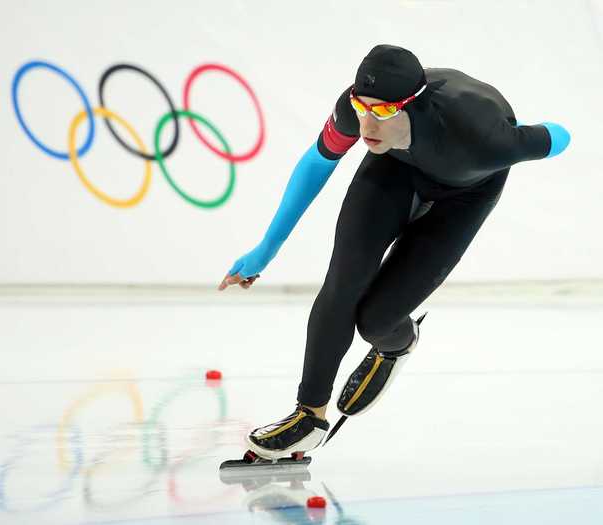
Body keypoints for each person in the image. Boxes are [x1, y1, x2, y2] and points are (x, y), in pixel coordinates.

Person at [217, 44, 570, 460]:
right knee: (341, 284)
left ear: (412, 106)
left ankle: (398, 345)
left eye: (382, 111)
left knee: (375, 320)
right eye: (361, 106)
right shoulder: (359, 114)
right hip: (395, 169)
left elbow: (560, 136)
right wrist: (266, 249)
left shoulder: (484, 138)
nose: (366, 121)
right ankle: (308, 416)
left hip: (465, 194)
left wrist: (515, 132)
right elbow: (316, 164)